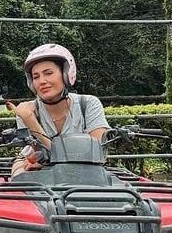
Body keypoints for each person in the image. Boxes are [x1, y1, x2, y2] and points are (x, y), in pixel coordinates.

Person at [6, 43, 109, 175]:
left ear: (66, 74)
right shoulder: (26, 111)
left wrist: (31, 122)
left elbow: (97, 155)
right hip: (46, 183)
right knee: (19, 172)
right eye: (36, 77)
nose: (42, 81)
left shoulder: (88, 104)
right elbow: (34, 158)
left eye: (48, 73)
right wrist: (28, 119)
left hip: (86, 179)